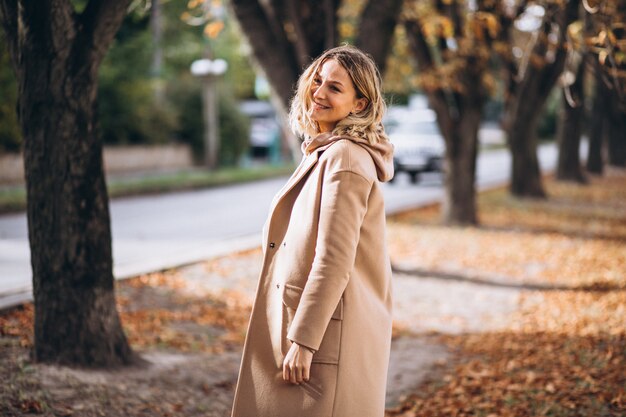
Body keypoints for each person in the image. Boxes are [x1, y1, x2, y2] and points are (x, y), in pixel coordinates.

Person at [231, 45, 394, 417]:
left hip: (320, 337)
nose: (318, 93)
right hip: (307, 326)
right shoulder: (325, 152)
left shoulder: (345, 159)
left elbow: (334, 259)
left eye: (335, 88)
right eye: (317, 81)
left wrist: (303, 341)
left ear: (359, 105)